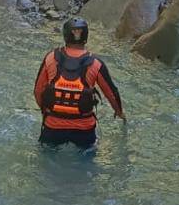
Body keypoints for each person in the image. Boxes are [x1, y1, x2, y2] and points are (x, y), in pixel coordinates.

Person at [33, 17, 124, 150]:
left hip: (53, 126)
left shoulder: (50, 58)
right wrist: (119, 112)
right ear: (86, 36)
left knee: (46, 156)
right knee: (88, 157)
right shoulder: (96, 63)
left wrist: (45, 111)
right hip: (84, 129)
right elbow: (111, 93)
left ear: (65, 35)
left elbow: (37, 90)